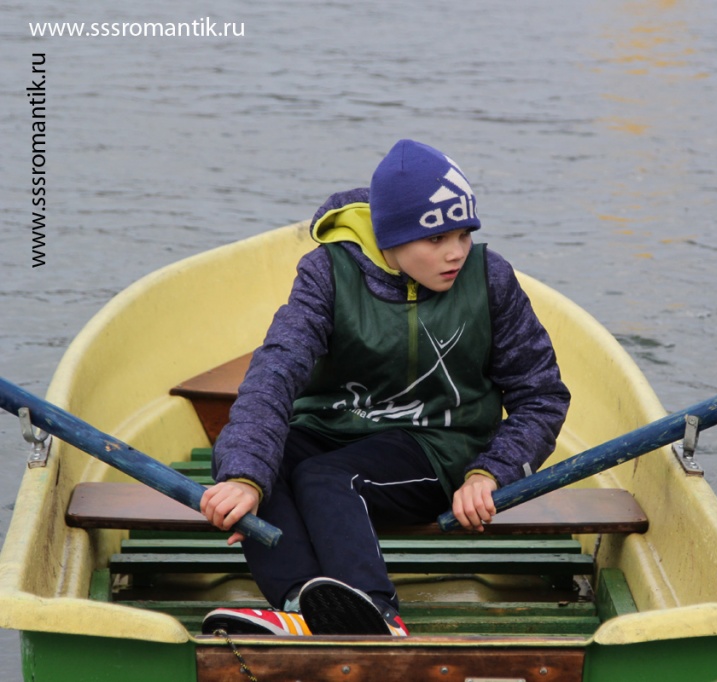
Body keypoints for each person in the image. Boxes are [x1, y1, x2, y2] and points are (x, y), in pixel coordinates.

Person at [199, 139, 570, 637]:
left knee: (326, 477)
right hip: (333, 427)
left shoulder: (490, 278)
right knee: (248, 457)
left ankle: (377, 612)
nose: (456, 252)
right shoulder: (327, 273)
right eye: (436, 239)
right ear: (390, 236)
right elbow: (275, 372)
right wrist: (244, 477)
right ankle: (301, 606)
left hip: (437, 444)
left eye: (464, 234)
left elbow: (541, 397)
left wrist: (490, 473)